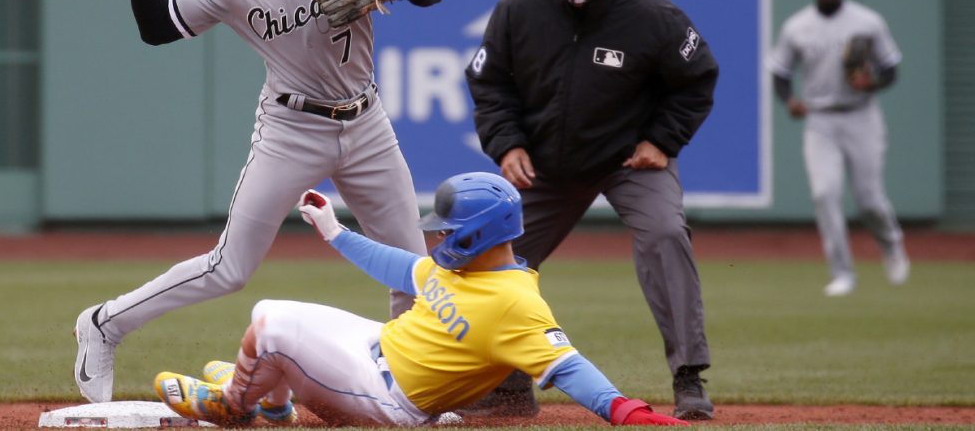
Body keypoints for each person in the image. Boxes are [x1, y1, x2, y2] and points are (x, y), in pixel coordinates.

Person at [74, 0, 444, 403]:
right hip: (291, 128)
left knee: (412, 270)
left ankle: (409, 393)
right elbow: (156, 26)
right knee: (230, 269)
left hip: (367, 124)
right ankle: (104, 324)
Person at [152, 173, 689, 427]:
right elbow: (399, 268)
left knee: (268, 320)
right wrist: (335, 231)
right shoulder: (465, 267)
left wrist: (627, 412)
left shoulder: (516, 303)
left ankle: (235, 405)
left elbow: (571, 368)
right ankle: (273, 401)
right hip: (376, 351)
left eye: (447, 231)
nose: (436, 238)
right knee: (279, 324)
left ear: (479, 234)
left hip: (392, 401)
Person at [464, 0, 719, 420]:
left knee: (666, 232)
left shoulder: (651, 14)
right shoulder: (519, 10)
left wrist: (662, 140)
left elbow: (697, 79)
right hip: (546, 165)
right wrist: (508, 144)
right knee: (494, 262)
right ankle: (511, 383)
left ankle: (689, 377)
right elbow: (490, 85)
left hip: (627, 158)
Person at [769, 0, 909, 297]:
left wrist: (870, 82)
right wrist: (790, 101)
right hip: (820, 119)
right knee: (825, 193)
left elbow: (891, 68)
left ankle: (891, 245)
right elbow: (780, 73)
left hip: (862, 115)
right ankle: (843, 272)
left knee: (869, 199)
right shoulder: (797, 26)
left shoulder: (867, 22)